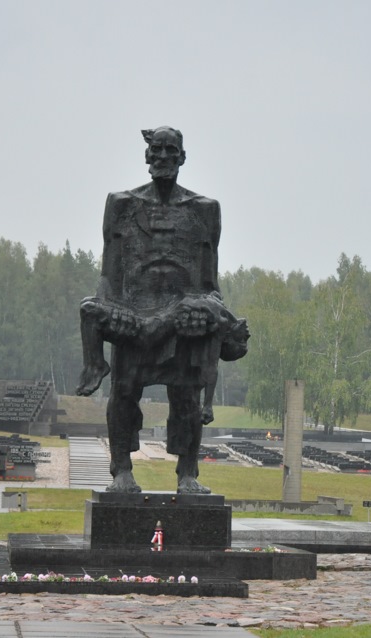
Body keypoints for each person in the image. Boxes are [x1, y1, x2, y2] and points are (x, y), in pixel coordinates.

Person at [76, 126, 248, 493]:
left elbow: (210, 281)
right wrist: (109, 314)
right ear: (147, 156)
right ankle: (121, 469)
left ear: (182, 157)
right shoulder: (122, 204)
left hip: (182, 321)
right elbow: (108, 274)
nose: (164, 158)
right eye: (157, 150)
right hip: (134, 315)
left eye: (172, 151)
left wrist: (210, 309)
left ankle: (188, 475)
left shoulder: (205, 211)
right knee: (123, 391)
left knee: (187, 398)